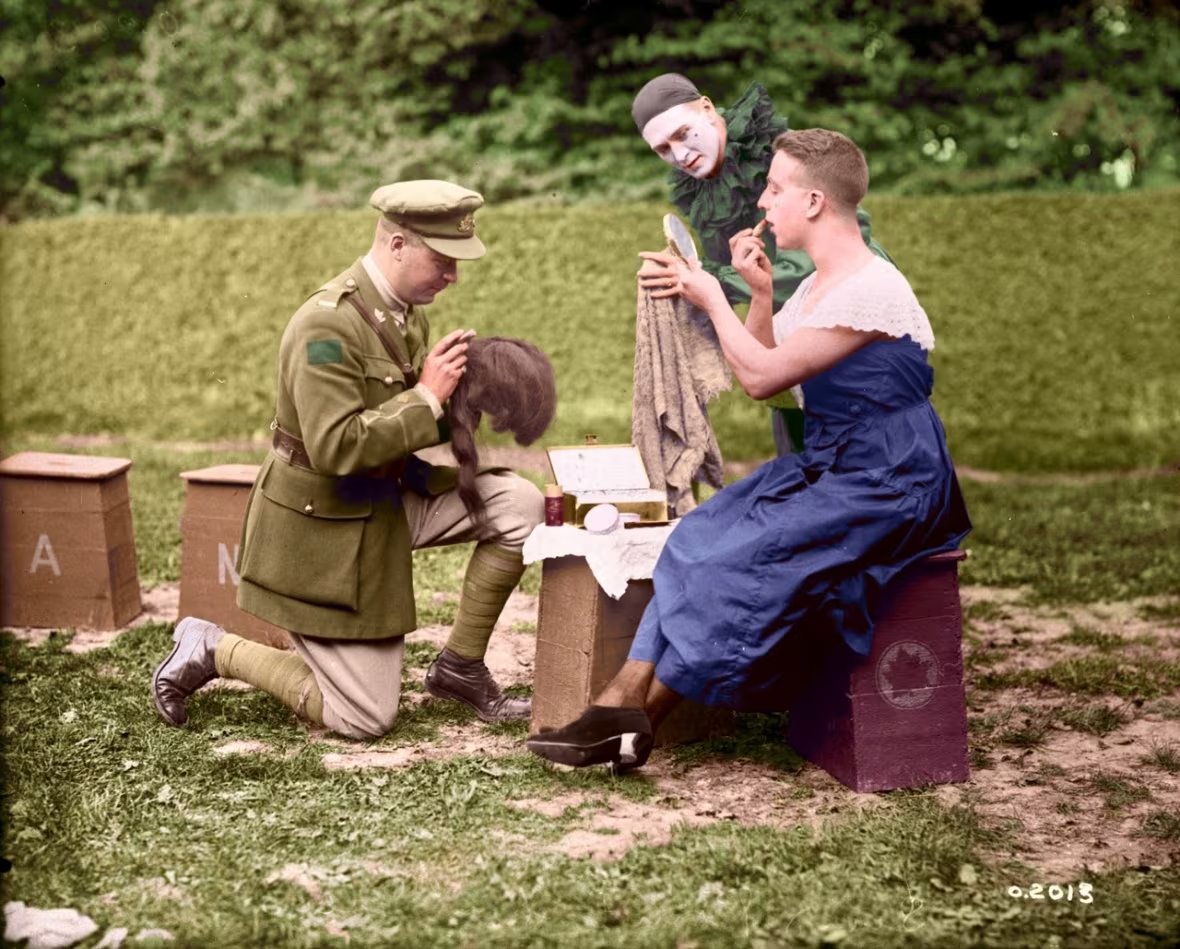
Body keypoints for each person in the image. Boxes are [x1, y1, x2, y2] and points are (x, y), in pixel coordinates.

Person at [528, 130, 971, 770]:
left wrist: (712, 297)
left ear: (814, 201)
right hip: (837, 466)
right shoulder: (819, 288)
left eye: (774, 188)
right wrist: (758, 295)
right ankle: (622, 708)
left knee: (739, 558)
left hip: (892, 478)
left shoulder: (873, 288)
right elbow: (766, 372)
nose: (763, 203)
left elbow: (762, 378)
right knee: (696, 534)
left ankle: (631, 713)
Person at [151, 180, 546, 739]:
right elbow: (336, 446)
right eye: (443, 261)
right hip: (325, 527)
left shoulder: (408, 315)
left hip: (384, 500)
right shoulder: (326, 325)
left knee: (519, 504)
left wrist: (467, 395)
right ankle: (214, 647)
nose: (453, 276)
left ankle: (459, 667)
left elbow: (395, 424)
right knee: (364, 716)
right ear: (398, 244)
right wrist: (426, 396)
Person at [631, 72, 892, 455]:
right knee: (798, 460)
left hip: (850, 320)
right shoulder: (704, 185)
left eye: (683, 134)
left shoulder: (782, 156)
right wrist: (684, 281)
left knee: (863, 458)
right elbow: (737, 278)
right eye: (663, 149)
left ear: (707, 108)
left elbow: (832, 251)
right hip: (787, 338)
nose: (680, 155)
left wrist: (710, 281)